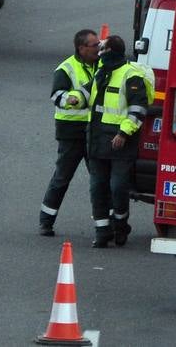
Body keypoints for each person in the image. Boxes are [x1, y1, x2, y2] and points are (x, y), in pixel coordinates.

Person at [86, 35, 155, 248]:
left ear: (111, 51)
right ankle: (102, 230)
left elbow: (138, 108)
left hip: (120, 142)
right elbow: (88, 93)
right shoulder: (101, 71)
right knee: (98, 187)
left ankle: (121, 224)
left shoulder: (130, 75)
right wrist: (70, 98)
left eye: (102, 47)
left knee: (117, 187)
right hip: (97, 139)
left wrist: (124, 133)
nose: (98, 50)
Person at [38, 29, 100, 237]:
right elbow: (57, 95)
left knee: (100, 179)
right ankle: (46, 221)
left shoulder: (101, 65)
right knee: (62, 178)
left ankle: (106, 225)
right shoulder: (66, 69)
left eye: (99, 44)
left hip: (95, 131)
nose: (98, 48)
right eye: (94, 45)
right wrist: (71, 100)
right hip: (71, 132)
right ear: (81, 48)